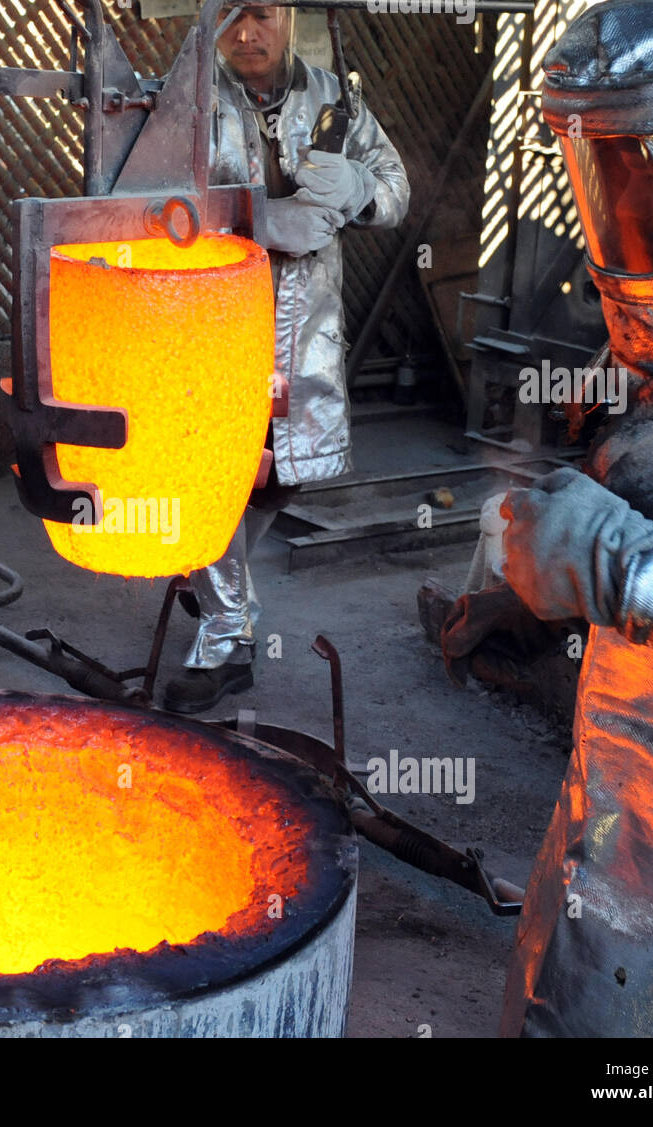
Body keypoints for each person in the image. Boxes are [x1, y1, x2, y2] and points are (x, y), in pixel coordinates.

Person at [445, 0, 653, 1036]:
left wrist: (621, 564)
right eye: (600, 169)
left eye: (641, 164)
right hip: (623, 818)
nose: (619, 209)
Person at [163, 3, 409, 713]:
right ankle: (225, 637)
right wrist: (253, 223)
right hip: (215, 324)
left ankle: (204, 571)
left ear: (289, 17)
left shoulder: (337, 98)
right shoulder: (189, 98)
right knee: (213, 474)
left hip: (304, 331)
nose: (247, 33)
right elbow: (145, 201)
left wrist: (362, 191)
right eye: (233, 16)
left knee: (286, 474)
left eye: (262, 14)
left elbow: (397, 190)